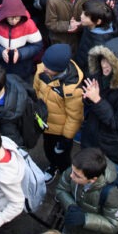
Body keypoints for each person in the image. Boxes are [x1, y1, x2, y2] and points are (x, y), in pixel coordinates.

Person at [79, 37, 118, 167]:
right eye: (103, 59)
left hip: (112, 146)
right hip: (92, 135)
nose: (104, 64)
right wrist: (89, 97)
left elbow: (117, 123)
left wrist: (97, 100)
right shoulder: (98, 75)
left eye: (110, 62)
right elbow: (90, 101)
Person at [54, 146, 118, 234]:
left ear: (93, 179)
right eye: (72, 170)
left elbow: (113, 224)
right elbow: (61, 188)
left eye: (77, 176)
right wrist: (71, 206)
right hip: (74, 228)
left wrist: (85, 219)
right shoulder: (77, 169)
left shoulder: (111, 194)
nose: (71, 175)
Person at [34, 42, 85, 176]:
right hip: (45, 122)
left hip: (60, 131)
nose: (44, 68)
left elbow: (75, 117)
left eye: (49, 67)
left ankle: (64, 172)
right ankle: (53, 165)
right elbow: (35, 90)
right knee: (48, 148)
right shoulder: (42, 69)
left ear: (59, 69)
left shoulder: (72, 89)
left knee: (62, 155)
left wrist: (66, 139)